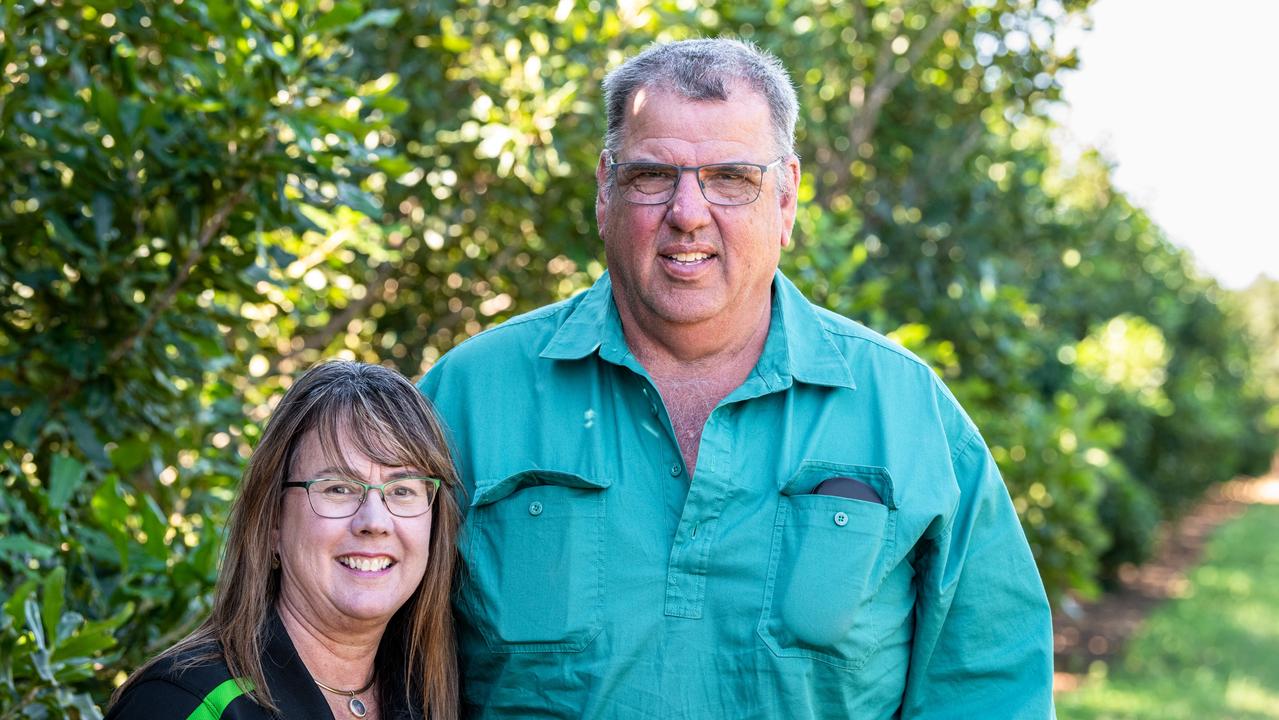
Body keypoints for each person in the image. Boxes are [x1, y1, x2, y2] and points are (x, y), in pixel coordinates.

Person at [419, 38, 1054, 718]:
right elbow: (361, 654)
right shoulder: (467, 398)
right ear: (605, 191)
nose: (687, 213)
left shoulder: (905, 414)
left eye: (730, 178)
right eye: (651, 176)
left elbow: (989, 687)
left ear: (785, 198)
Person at [107, 361, 462, 720]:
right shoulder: (184, 704)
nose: (374, 522)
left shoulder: (431, 699)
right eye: (338, 488)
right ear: (273, 520)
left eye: (402, 490)